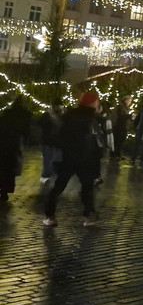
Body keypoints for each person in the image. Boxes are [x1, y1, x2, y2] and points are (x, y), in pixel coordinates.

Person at [44, 92, 104, 226]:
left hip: (68, 157)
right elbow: (95, 142)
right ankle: (89, 214)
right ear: (92, 103)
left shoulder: (69, 116)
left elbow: (57, 136)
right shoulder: (92, 119)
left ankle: (49, 215)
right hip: (85, 159)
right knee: (87, 187)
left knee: (59, 186)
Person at [0, 96, 33, 200]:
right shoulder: (26, 114)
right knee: (10, 168)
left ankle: (3, 187)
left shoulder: (7, 113)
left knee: (3, 166)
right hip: (14, 143)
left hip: (3, 142)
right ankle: (5, 189)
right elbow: (26, 130)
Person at [38, 101, 64, 182]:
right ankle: (46, 175)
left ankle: (51, 174)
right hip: (49, 141)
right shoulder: (48, 115)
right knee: (49, 159)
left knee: (55, 159)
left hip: (56, 141)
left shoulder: (61, 115)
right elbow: (41, 124)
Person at [111, 95, 133, 160]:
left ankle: (118, 154)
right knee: (118, 141)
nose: (130, 103)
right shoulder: (121, 107)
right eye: (129, 101)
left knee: (120, 141)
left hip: (123, 127)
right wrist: (129, 116)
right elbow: (120, 116)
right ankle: (115, 155)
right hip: (119, 127)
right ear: (126, 101)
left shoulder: (124, 107)